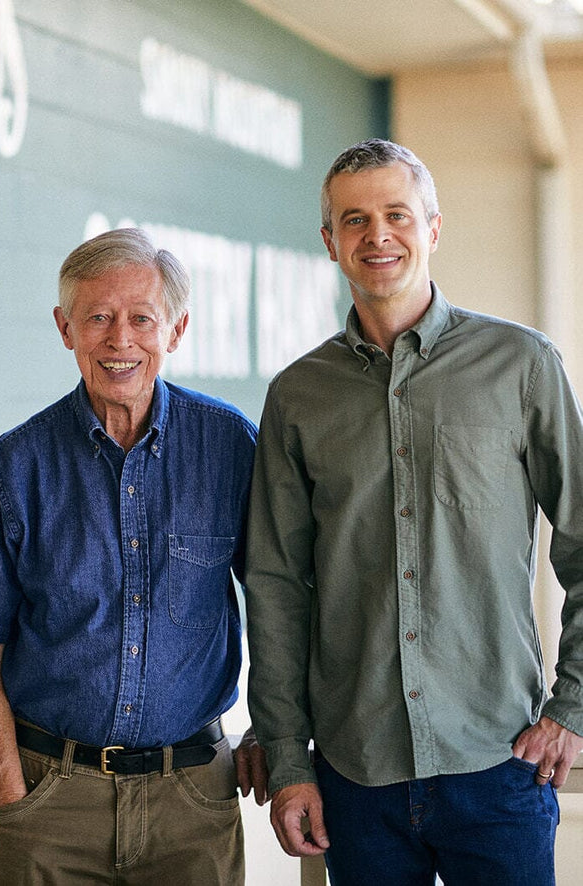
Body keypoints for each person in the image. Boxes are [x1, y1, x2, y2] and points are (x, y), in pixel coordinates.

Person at [245, 138, 583, 884]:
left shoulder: (522, 366)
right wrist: (288, 755)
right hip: (355, 776)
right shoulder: (298, 396)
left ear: (432, 228)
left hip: (498, 763)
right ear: (330, 241)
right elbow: (275, 586)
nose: (379, 235)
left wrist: (573, 707)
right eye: (355, 220)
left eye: (397, 214)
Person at [0, 227, 261, 884]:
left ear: (176, 330)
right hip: (50, 806)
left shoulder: (230, 448)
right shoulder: (11, 469)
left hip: (192, 802)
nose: (119, 339)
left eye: (141, 319)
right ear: (65, 328)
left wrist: (273, 730)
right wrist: (10, 797)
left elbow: (280, 602)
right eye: (98, 317)